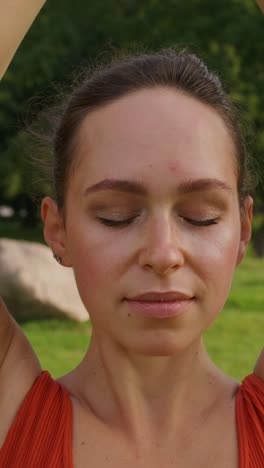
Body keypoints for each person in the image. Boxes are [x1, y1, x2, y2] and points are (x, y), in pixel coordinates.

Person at [0, 1, 263, 467]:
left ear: (243, 229)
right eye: (117, 215)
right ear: (57, 231)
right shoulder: (13, 421)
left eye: (200, 215)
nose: (163, 254)